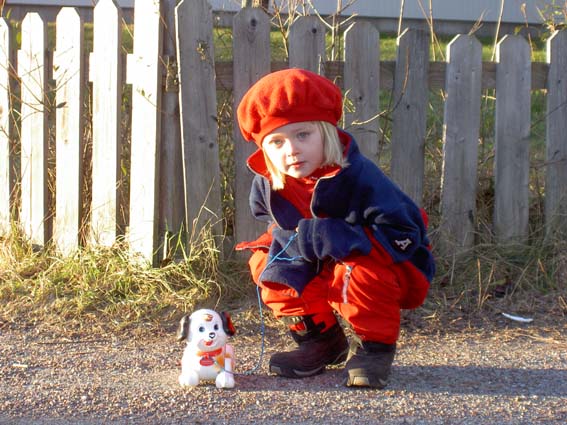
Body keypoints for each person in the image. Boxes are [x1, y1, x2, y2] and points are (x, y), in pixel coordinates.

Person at [235, 68, 435, 388]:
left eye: (303, 135)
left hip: (387, 261)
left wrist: (344, 237)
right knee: (267, 261)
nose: (292, 150)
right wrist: (288, 245)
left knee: (357, 272)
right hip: (321, 257)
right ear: (264, 150)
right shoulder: (270, 184)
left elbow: (405, 233)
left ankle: (375, 348)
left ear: (325, 132)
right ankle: (320, 340)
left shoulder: (359, 177)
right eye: (277, 141)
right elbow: (276, 223)